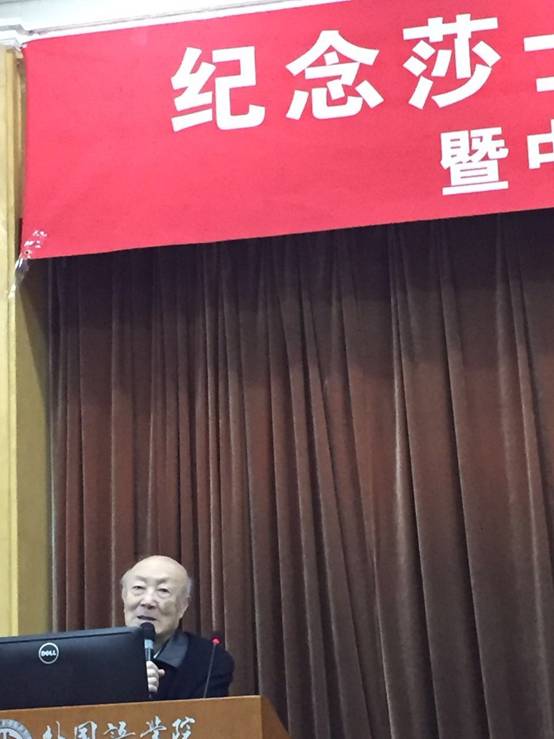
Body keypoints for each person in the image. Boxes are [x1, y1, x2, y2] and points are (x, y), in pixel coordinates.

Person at [121, 554, 234, 699]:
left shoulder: (209, 661)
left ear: (183, 606)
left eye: (163, 590)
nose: (147, 601)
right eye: (138, 588)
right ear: (124, 596)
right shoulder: (97, 658)